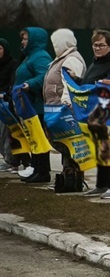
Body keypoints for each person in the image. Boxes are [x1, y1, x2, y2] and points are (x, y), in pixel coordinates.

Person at [79, 30, 110, 198]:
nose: (97, 48)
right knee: (100, 149)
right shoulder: (95, 62)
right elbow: (88, 83)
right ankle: (101, 184)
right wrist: (76, 80)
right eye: (95, 45)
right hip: (95, 115)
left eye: (101, 45)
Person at [43, 28, 87, 193]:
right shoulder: (59, 59)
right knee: (64, 144)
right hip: (56, 108)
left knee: (70, 144)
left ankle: (73, 179)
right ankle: (67, 176)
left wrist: (66, 101)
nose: (55, 46)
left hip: (65, 109)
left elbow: (70, 83)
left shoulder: (72, 60)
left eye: (57, 43)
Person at [12, 26, 53, 183]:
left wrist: (29, 84)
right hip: (28, 105)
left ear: (35, 40)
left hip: (37, 105)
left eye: (25, 39)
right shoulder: (30, 56)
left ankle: (43, 172)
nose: (22, 42)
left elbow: (44, 76)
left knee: (39, 137)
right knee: (34, 138)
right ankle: (37, 168)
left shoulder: (41, 56)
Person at [0, 37, 17, 171]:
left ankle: (9, 158)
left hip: (5, 102)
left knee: (5, 132)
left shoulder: (12, 64)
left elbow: (11, 83)